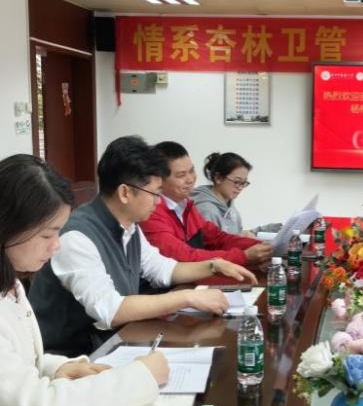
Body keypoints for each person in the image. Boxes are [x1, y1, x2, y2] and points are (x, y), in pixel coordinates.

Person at [29, 136, 257, 356]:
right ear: (125, 193)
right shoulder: (77, 237)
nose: (158, 202)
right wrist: (187, 297)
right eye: (155, 194)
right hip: (75, 358)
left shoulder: (130, 226)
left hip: (117, 341)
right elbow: (109, 309)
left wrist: (214, 266)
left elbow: (161, 269)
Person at [0, 154, 168, 406]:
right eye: (47, 235)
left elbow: (16, 362)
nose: (56, 246)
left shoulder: (11, 282)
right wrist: (140, 378)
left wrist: (56, 368)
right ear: (7, 226)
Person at [140, 143, 272, 266]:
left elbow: (217, 238)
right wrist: (244, 256)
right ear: (159, 180)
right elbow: (185, 257)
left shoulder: (186, 205)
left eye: (192, 171)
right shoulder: (151, 213)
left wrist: (263, 246)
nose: (190, 179)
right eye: (181, 175)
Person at [192, 151, 281, 236]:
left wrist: (265, 230)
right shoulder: (206, 210)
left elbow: (236, 234)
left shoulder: (228, 203)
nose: (240, 188)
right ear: (218, 178)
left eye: (244, 183)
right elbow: (210, 245)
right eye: (237, 182)